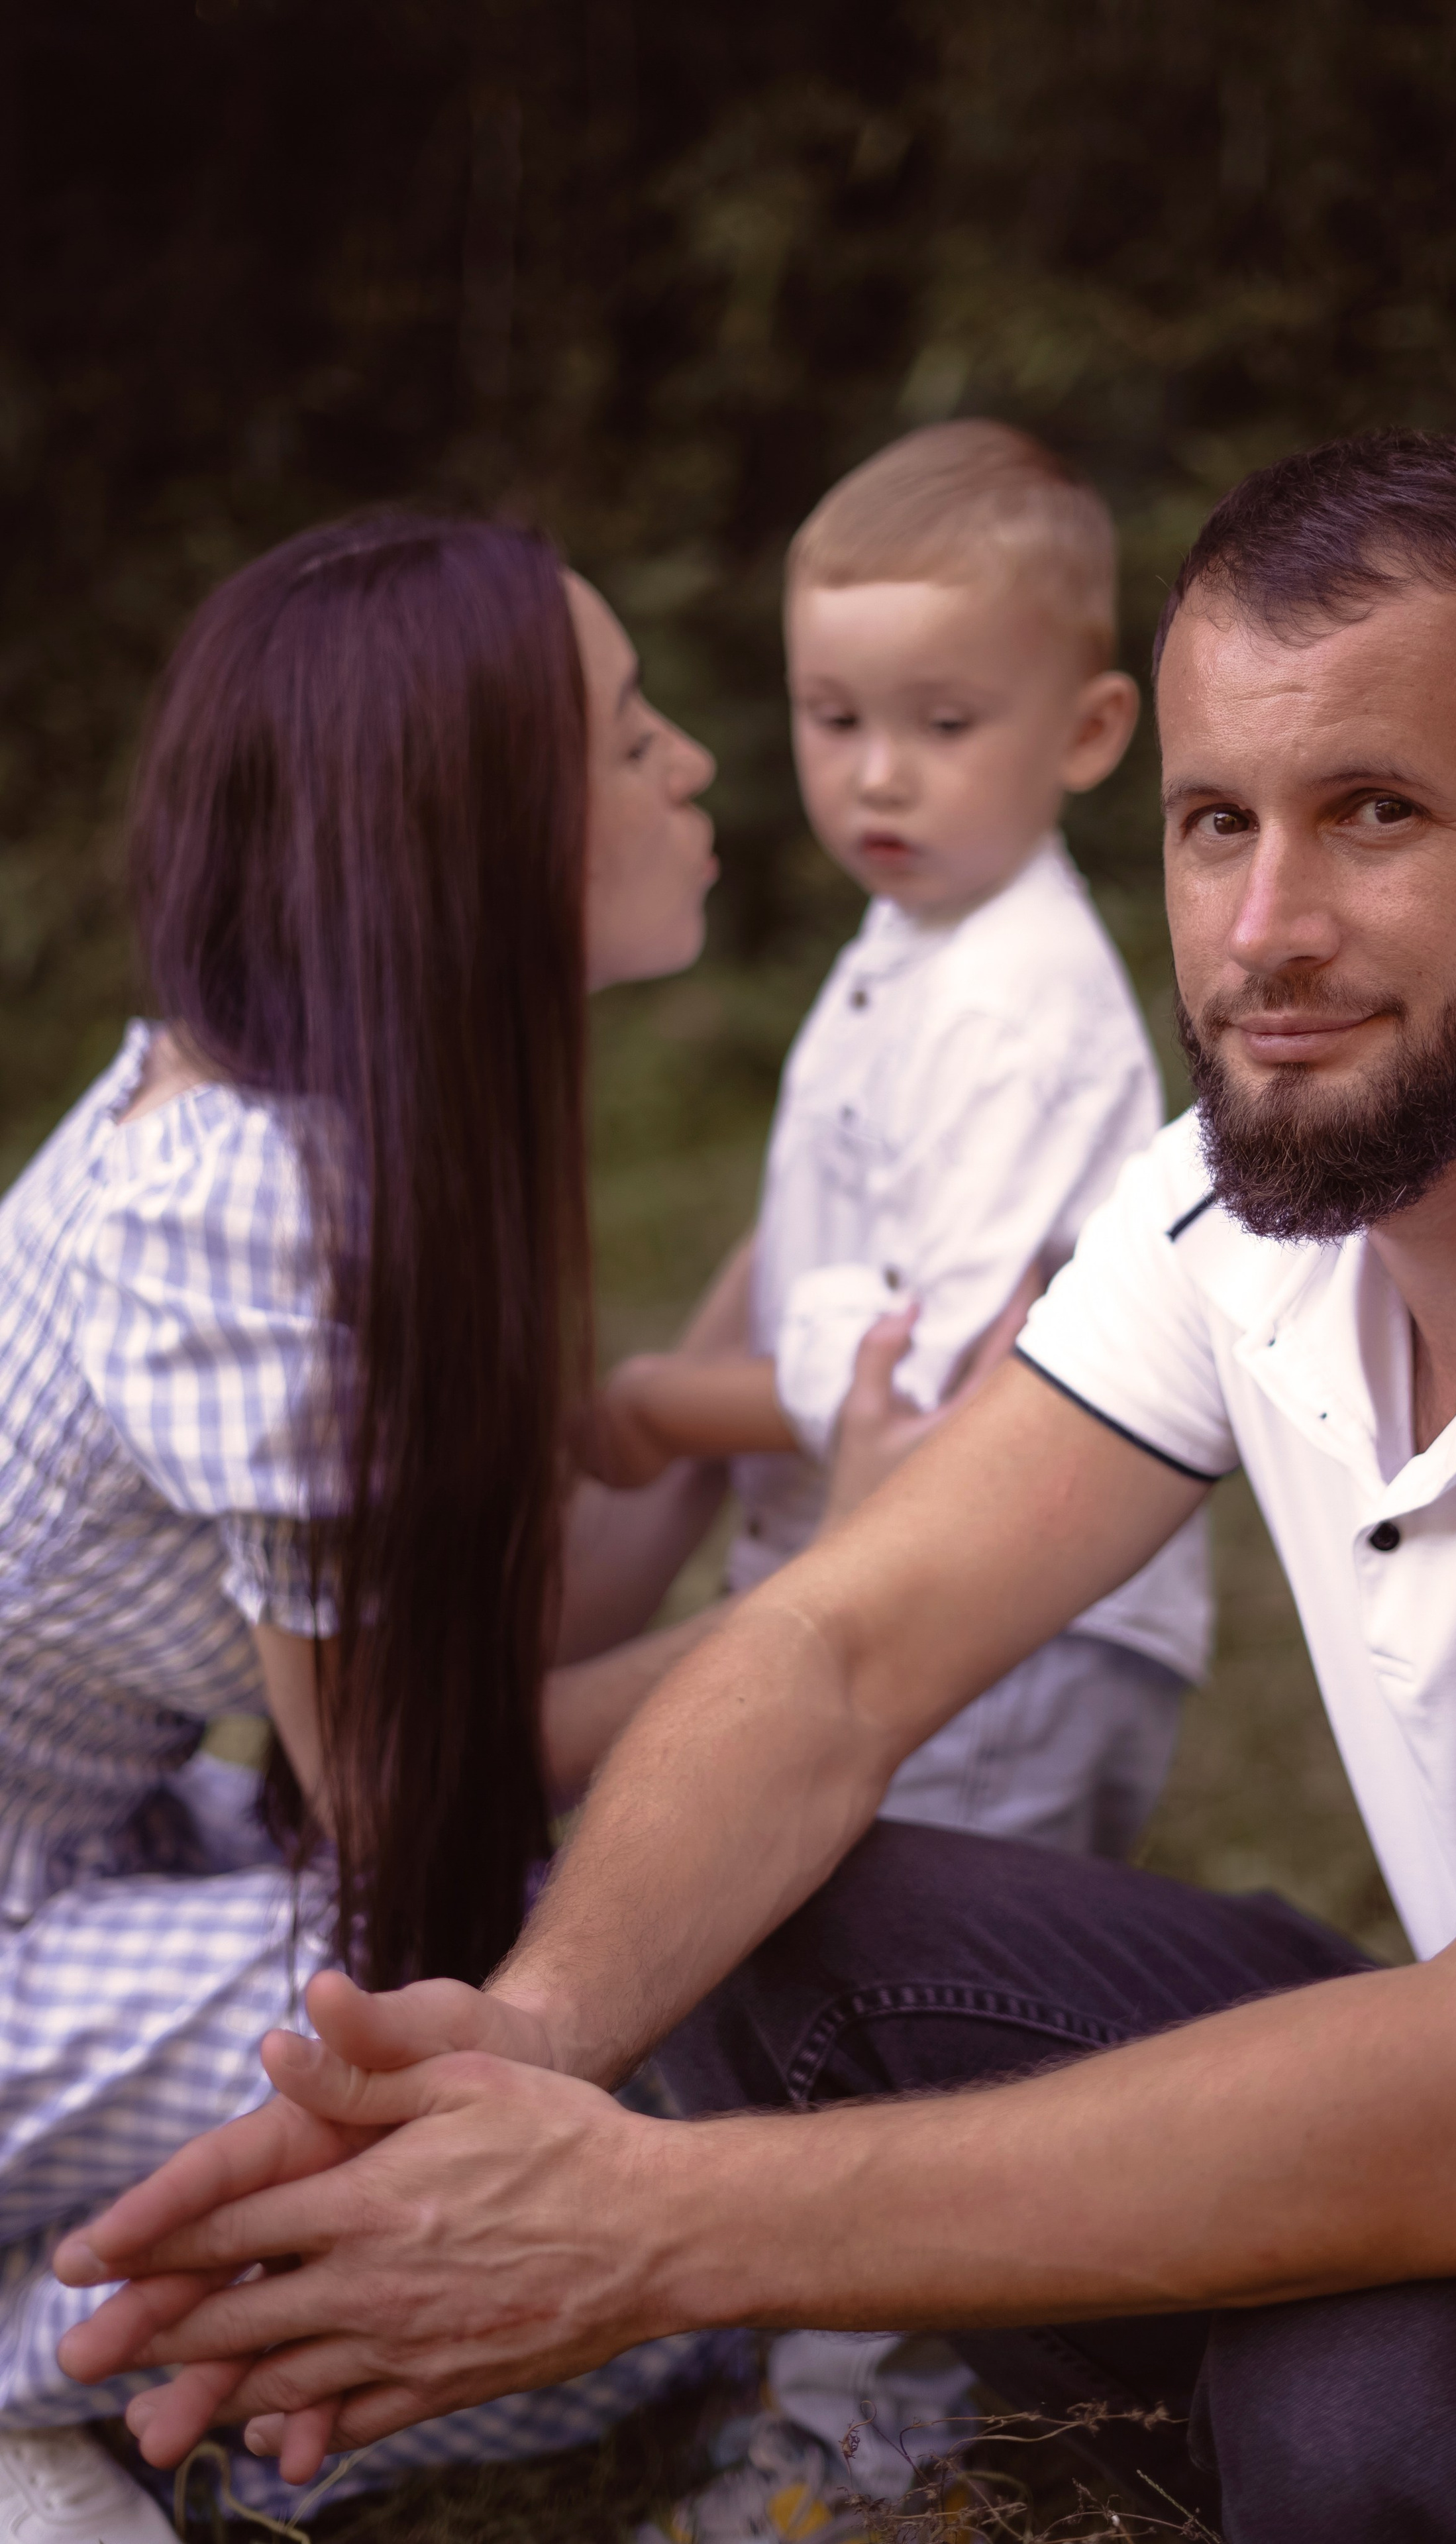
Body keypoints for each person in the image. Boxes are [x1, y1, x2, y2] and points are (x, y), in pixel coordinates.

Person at [59, 429, 1456, 2541]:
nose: (1269, 932)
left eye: (1374, 812)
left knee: (1370, 2392)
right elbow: (834, 1646)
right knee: (769, 1904)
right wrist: (541, 2042)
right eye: (1215, 826)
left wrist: (646, 2227)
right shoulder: (1241, 1201)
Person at [0, 514, 741, 2540]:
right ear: (464, 840)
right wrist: (847, 1613)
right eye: (626, 734)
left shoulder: (283, 1126)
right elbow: (415, 1791)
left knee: (632, 2005)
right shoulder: (235, 1214)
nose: (687, 764)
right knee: (606, 2118)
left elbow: (472, 1671)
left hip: (91, 1852)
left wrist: (770, 1315)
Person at [597, 421, 1212, 1862]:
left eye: (941, 726)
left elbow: (927, 1370)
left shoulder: (1008, 1002)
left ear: (1086, 732)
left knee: (906, 1969)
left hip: (1011, 1619)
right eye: (833, 717)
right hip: (915, 1580)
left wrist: (656, 1407)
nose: (877, 777)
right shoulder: (917, 936)